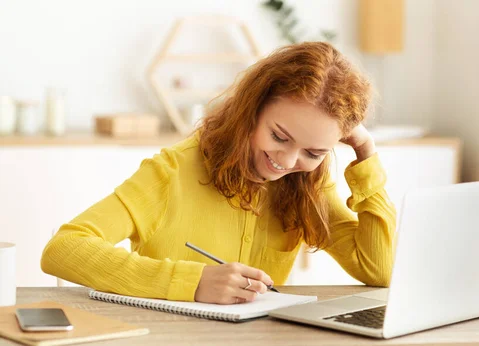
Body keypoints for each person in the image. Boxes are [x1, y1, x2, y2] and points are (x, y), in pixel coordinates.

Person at [41, 41, 396, 305]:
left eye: (314, 152)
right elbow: (64, 248)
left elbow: (378, 269)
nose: (287, 162)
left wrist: (365, 151)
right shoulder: (172, 172)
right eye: (279, 137)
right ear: (251, 110)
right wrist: (190, 282)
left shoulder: (305, 184)